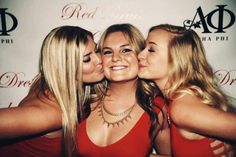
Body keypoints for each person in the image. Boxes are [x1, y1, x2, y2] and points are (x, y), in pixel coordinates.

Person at [0, 25, 104, 157]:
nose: (99, 60)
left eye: (97, 50)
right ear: (65, 67)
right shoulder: (52, 112)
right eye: (86, 59)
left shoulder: (47, 81)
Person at [138, 24, 236, 157]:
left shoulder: (181, 108)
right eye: (144, 48)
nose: (140, 55)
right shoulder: (176, 100)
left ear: (177, 59)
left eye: (151, 50)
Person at [76, 23, 171, 157]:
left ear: (141, 54)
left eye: (126, 50)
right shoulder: (82, 101)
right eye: (108, 52)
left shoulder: (156, 109)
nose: (115, 58)